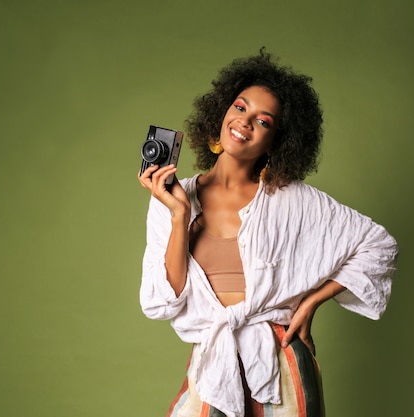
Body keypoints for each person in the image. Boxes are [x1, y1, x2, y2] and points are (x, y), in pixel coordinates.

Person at [137, 50, 398, 417]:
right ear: (222, 112)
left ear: (276, 141)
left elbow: (378, 246)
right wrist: (179, 214)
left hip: (281, 363)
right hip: (216, 362)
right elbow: (164, 299)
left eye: (263, 120)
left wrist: (311, 302)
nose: (245, 122)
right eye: (240, 108)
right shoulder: (173, 198)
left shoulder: (291, 200)